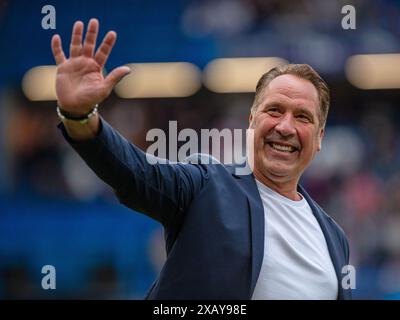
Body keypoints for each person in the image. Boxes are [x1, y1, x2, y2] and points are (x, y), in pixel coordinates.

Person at [51, 18, 352, 299]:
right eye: (274, 110)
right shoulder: (206, 186)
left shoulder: (335, 238)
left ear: (319, 138)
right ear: (251, 122)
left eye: (302, 117)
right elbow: (134, 173)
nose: (285, 127)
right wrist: (80, 117)